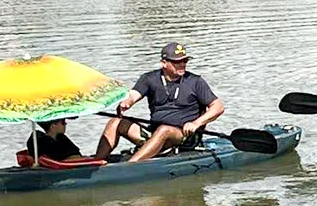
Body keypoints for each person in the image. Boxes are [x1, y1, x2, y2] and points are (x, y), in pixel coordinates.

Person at [95, 42, 225, 162]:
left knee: (164, 130)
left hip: (183, 136)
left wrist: (196, 123)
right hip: (153, 133)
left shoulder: (195, 81)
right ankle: (96, 162)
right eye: (177, 62)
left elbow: (218, 107)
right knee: (115, 122)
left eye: (185, 61)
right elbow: (134, 95)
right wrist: (127, 103)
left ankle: (130, 166)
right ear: (164, 63)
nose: (182, 64)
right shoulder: (149, 79)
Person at [25, 118, 92, 161]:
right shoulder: (44, 142)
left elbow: (76, 153)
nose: (66, 124)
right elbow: (63, 159)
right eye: (63, 122)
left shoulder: (61, 137)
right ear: (52, 126)